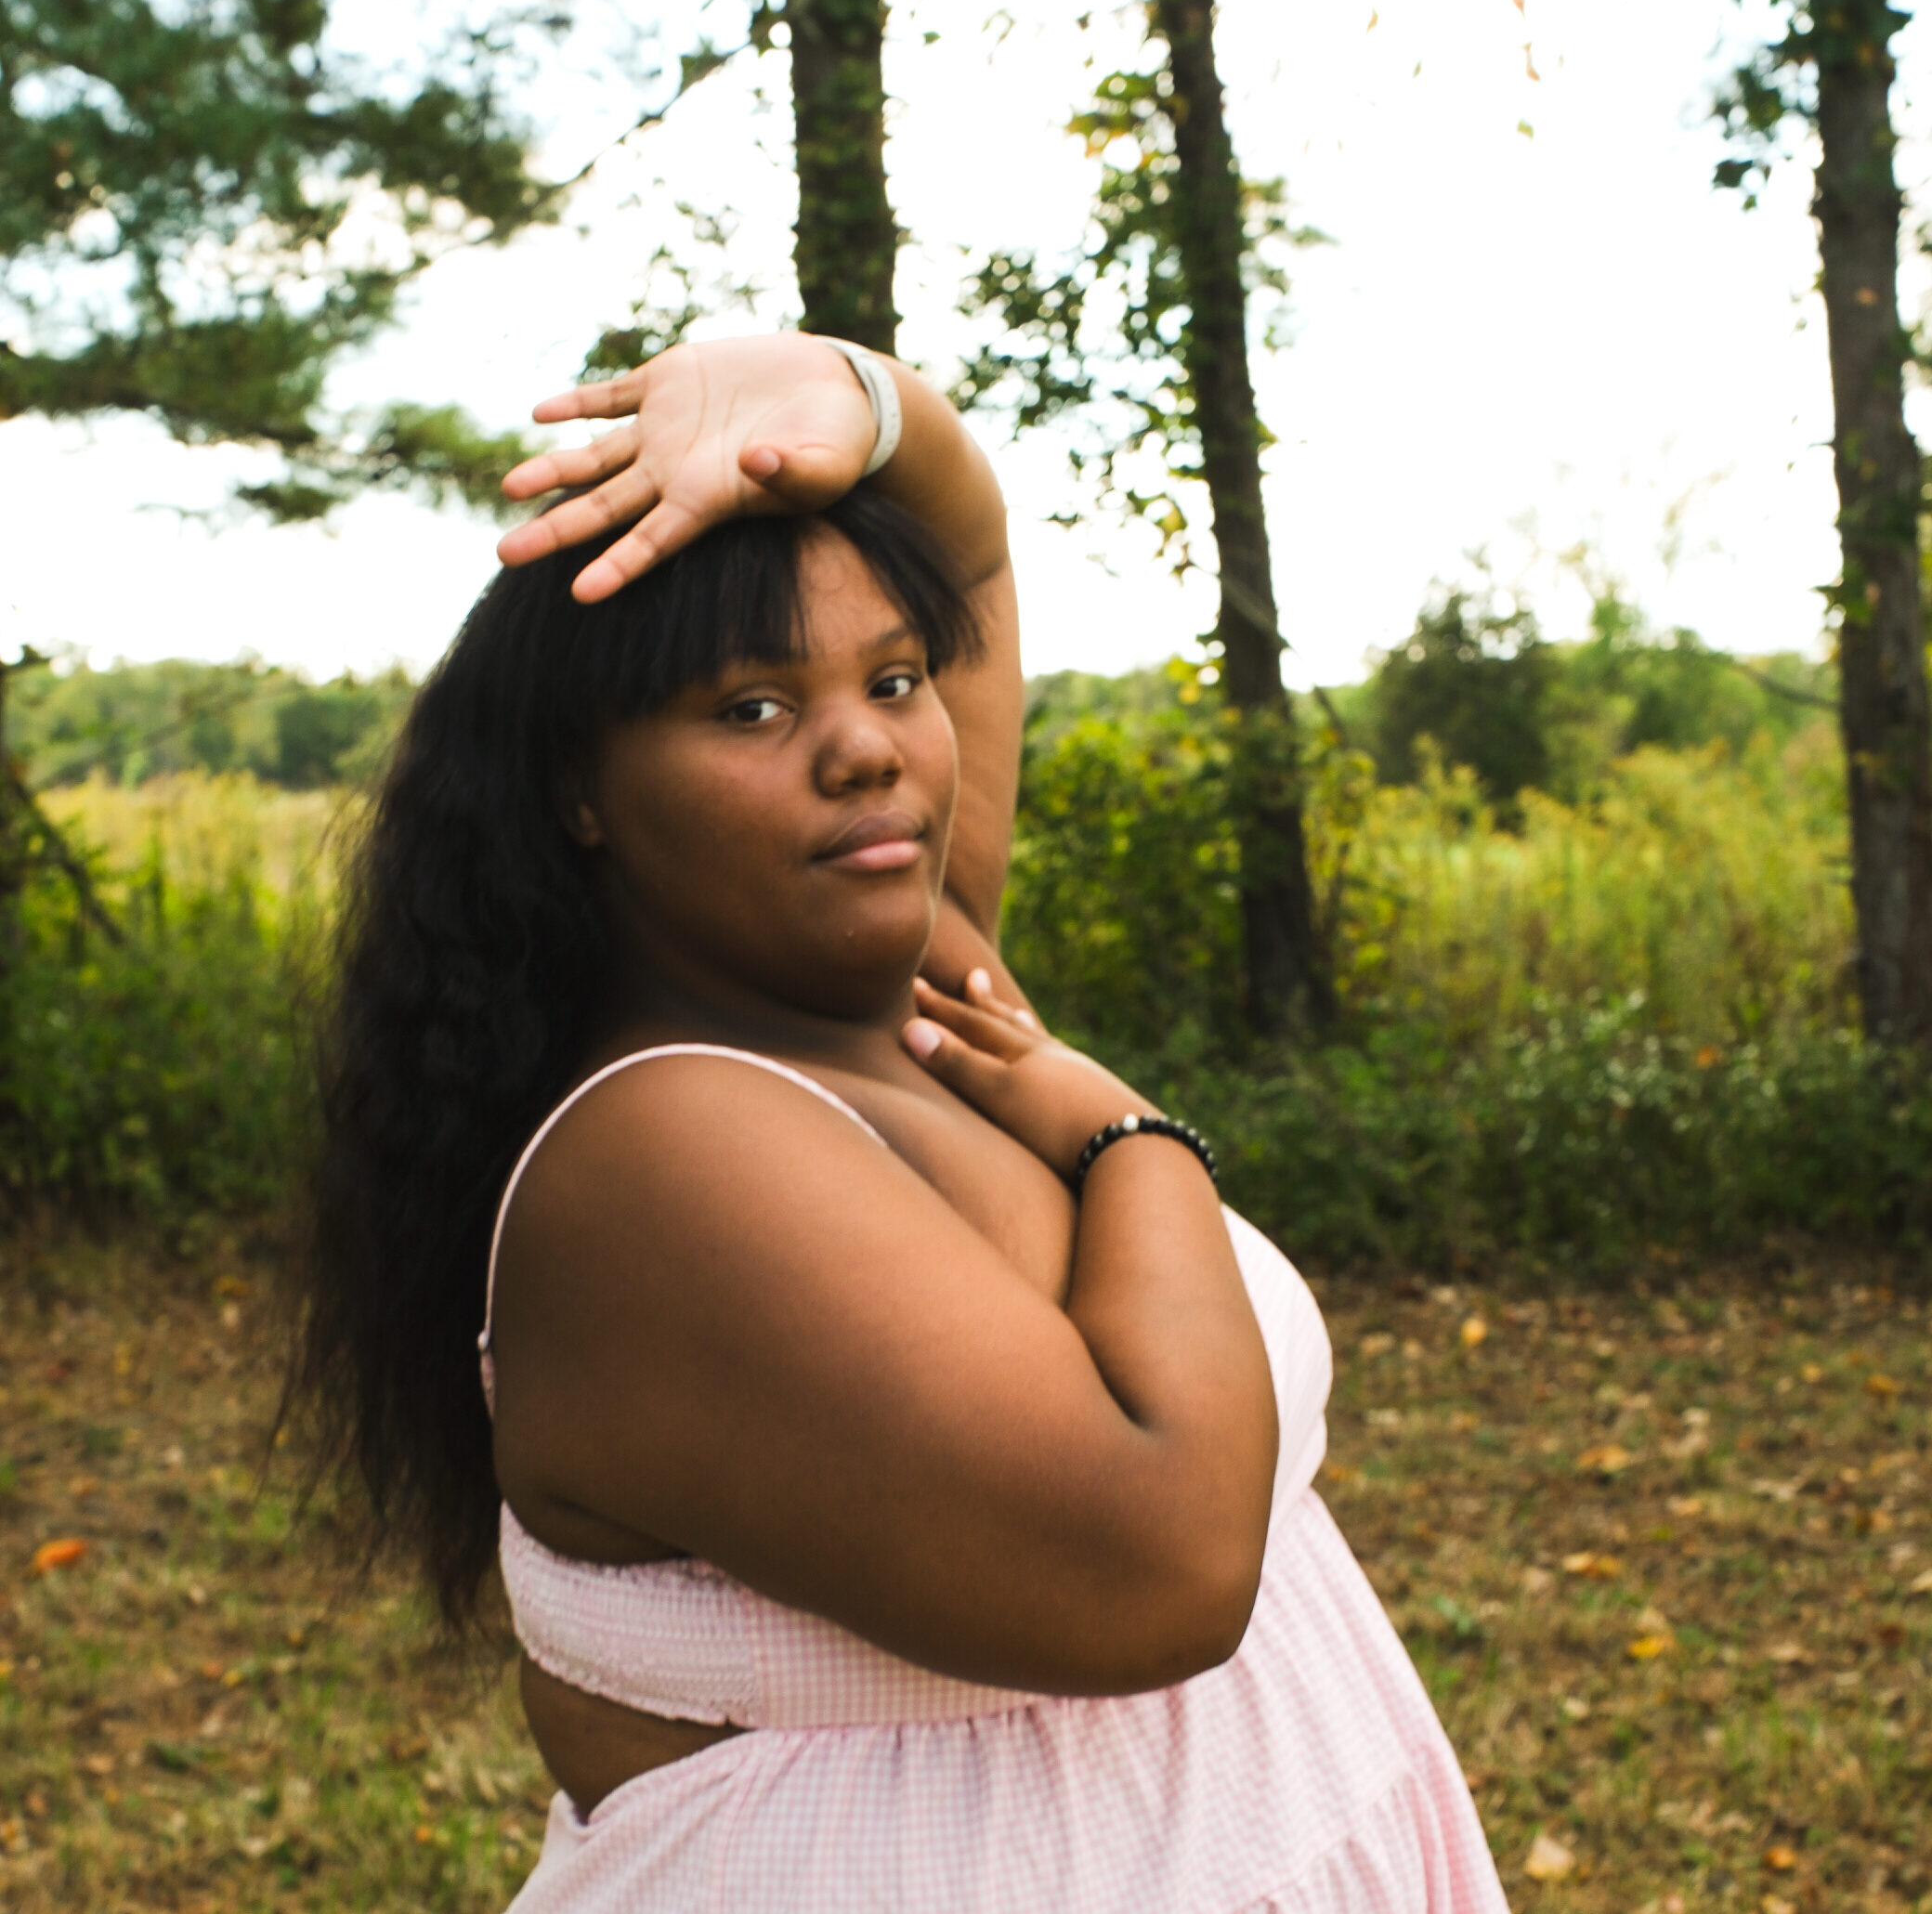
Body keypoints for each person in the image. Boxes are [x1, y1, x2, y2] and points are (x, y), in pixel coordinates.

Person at [291, 332, 1511, 1911]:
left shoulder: (919, 994)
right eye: (749, 708)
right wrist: (1127, 1133)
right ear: (578, 792)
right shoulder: (671, 1150)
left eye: (890, 681)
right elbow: (1167, 1560)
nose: (865, 742)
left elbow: (969, 549)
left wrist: (853, 403)